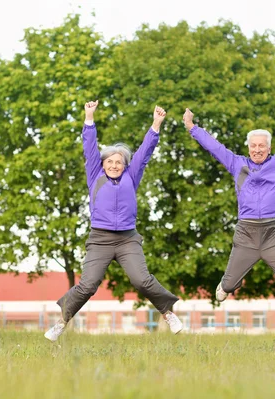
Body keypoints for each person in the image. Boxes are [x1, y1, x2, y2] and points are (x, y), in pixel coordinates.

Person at [45, 101, 183, 341]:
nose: (114, 165)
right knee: (88, 285)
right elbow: (89, 147)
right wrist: (89, 117)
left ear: (125, 165)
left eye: (119, 162)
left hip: (128, 239)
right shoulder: (94, 175)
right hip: (100, 239)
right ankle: (61, 322)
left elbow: (145, 151)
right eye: (109, 161)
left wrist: (156, 124)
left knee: (142, 279)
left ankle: (167, 313)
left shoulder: (132, 175)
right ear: (103, 164)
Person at [182, 105, 275, 302]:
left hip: (272, 233)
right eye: (253, 146)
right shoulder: (237, 164)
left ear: (268, 148)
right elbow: (213, 146)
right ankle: (225, 283)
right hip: (246, 233)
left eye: (261, 146)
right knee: (227, 288)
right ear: (249, 148)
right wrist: (191, 126)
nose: (257, 150)